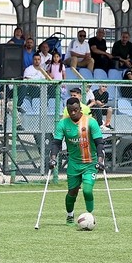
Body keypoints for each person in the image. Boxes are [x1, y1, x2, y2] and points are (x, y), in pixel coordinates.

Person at [46, 96, 107, 225]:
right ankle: (70, 215)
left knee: (87, 190)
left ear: (80, 108)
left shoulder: (90, 122)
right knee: (72, 192)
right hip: (73, 163)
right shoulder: (63, 123)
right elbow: (56, 143)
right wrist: (53, 159)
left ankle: (89, 216)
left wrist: (100, 160)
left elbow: (99, 143)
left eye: (75, 110)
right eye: (70, 110)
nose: (72, 113)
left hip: (90, 162)